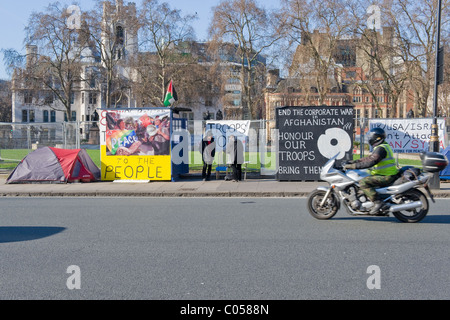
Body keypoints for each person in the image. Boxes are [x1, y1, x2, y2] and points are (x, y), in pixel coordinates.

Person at [344, 127, 399, 215]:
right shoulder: (381, 147)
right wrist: (354, 162)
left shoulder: (381, 149)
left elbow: (371, 162)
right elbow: (369, 158)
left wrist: (353, 166)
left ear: (376, 138)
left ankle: (378, 202)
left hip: (386, 176)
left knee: (363, 182)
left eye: (371, 136)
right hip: (384, 174)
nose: (369, 138)